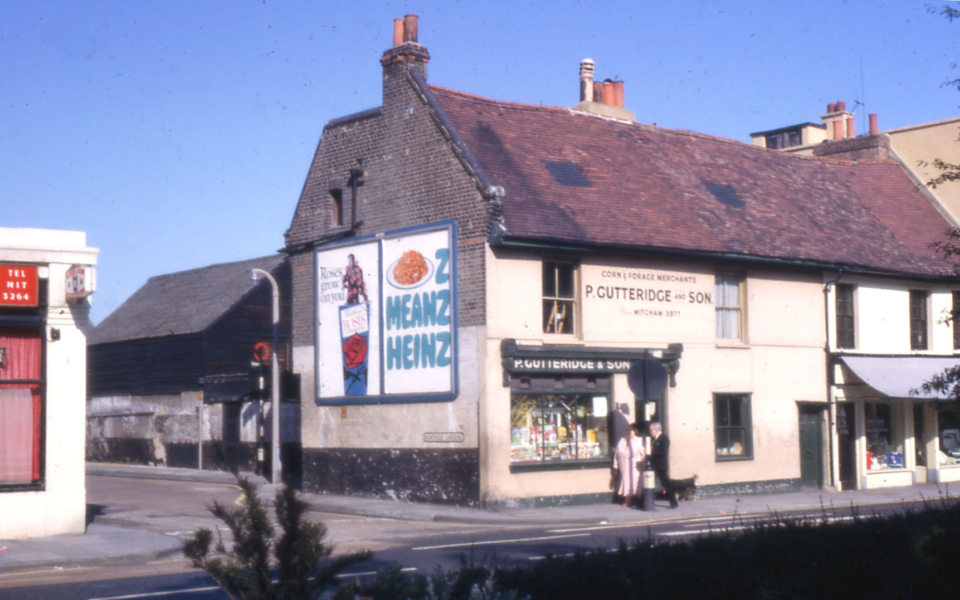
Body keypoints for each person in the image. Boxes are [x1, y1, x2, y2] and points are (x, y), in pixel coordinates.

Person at [612, 423, 645, 508]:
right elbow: (617, 454)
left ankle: (636, 501)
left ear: (635, 432)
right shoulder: (622, 441)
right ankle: (629, 501)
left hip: (635, 467)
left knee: (635, 484)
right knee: (626, 482)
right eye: (627, 430)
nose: (629, 432)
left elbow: (643, 454)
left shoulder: (639, 441)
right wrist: (615, 465)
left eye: (631, 431)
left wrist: (643, 465)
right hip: (624, 466)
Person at [648, 421, 678, 508]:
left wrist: (652, 453)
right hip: (655, 465)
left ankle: (674, 502)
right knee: (650, 483)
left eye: (651, 430)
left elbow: (663, 452)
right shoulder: (656, 439)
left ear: (656, 430)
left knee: (666, 484)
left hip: (661, 466)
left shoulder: (664, 438)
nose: (650, 432)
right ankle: (647, 501)